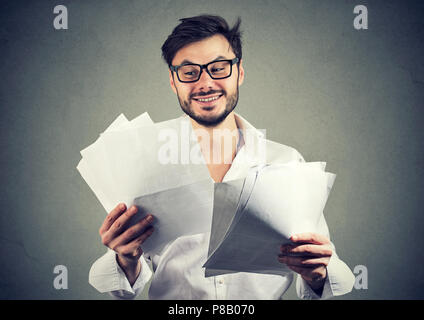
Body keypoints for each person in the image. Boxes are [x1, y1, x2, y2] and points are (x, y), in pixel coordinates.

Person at [89, 15, 355, 299]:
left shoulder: (287, 163)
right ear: (173, 81)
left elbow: (325, 278)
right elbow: (123, 290)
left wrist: (318, 271)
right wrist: (124, 258)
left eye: (218, 68)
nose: (205, 83)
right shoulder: (143, 163)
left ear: (239, 72)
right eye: (190, 72)